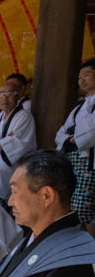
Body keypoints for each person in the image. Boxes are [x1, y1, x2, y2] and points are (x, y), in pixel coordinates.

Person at [55, 58, 95, 235]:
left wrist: (72, 137)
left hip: (90, 163)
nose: (82, 80)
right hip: (75, 161)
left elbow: (89, 132)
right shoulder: (78, 108)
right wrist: (71, 137)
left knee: (83, 207)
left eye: (87, 75)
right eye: (80, 77)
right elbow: (61, 133)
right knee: (73, 203)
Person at [0, 83, 37, 206]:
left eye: (9, 94)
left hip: (10, 172)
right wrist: (5, 141)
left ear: (18, 97)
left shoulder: (24, 117)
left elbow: (20, 145)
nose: (4, 98)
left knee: (9, 209)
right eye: (1, 94)